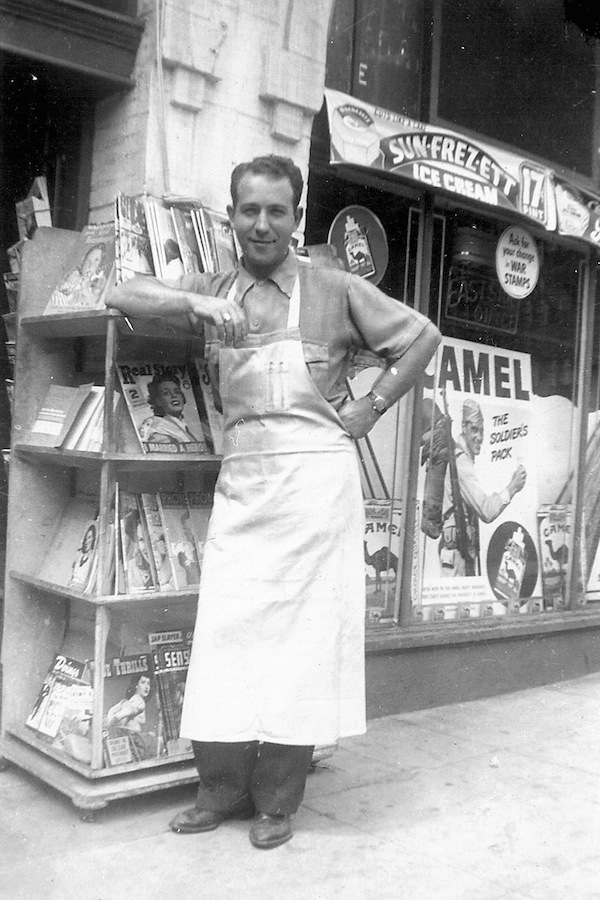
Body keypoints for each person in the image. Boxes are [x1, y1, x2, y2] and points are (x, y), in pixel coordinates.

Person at [106, 154, 441, 850]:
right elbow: (122, 293)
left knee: (300, 647)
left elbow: (421, 337)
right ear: (230, 217)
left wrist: (373, 406)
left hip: (317, 485)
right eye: (248, 210)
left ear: (297, 218)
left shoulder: (335, 286)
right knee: (227, 635)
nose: (261, 223)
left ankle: (277, 801)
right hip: (245, 481)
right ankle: (220, 790)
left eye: (276, 211)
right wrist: (194, 302)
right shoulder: (215, 283)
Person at [439, 398, 527, 577]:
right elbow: (487, 511)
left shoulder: (460, 458)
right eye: (474, 429)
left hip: (458, 555)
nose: (479, 437)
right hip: (457, 559)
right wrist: (512, 487)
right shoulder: (461, 461)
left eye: (481, 431)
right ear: (463, 427)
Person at [139, 372, 205, 448]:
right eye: (166, 393)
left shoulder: (189, 426)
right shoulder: (158, 427)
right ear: (158, 401)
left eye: (177, 392)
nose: (174, 396)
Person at [105, 672, 154, 762]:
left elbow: (112, 712)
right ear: (136, 685)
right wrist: (111, 722)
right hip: (136, 743)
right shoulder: (139, 703)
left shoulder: (127, 701)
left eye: (148, 683)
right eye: (143, 682)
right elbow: (120, 716)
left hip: (130, 741)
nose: (147, 687)